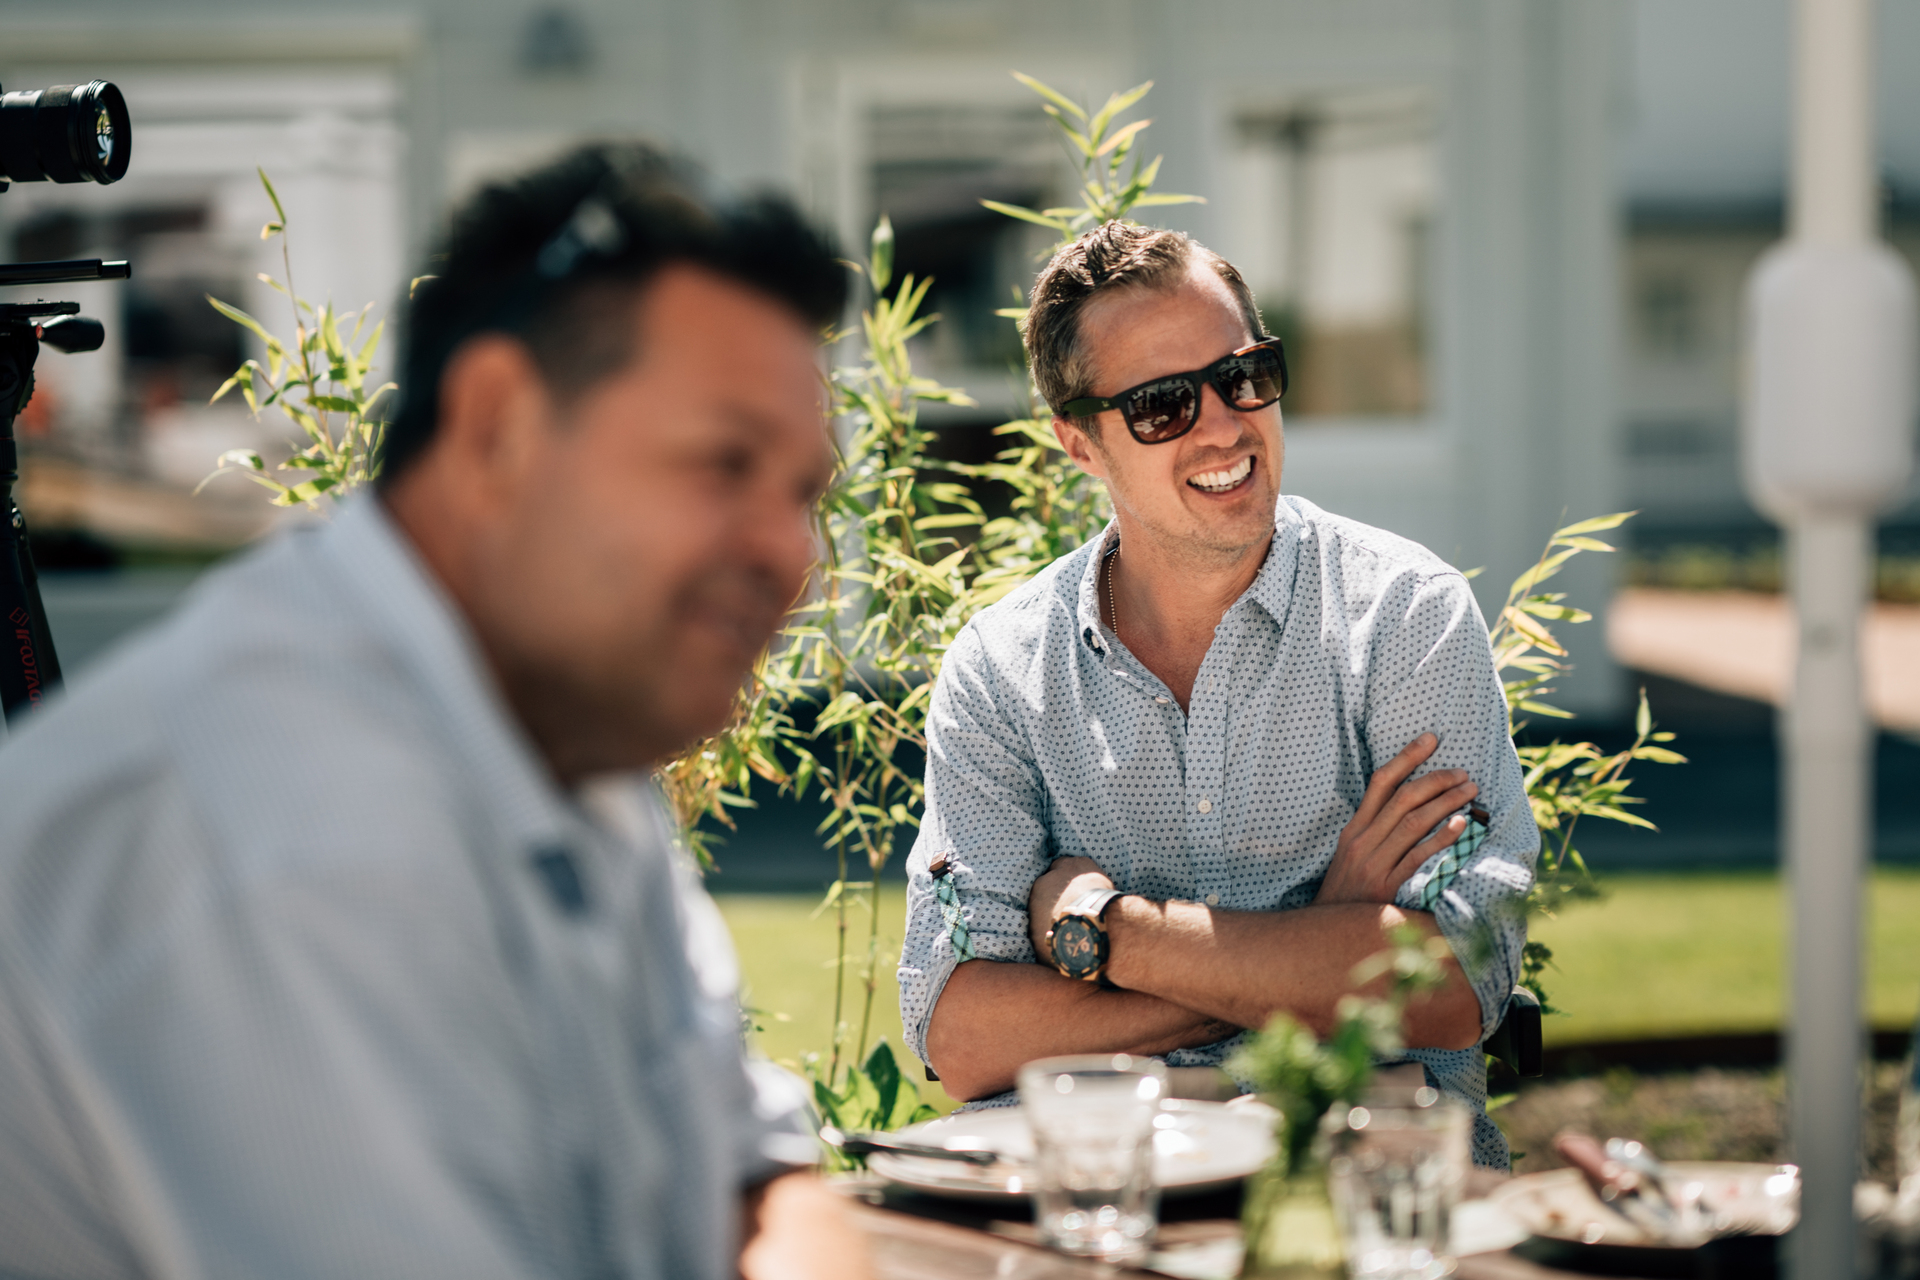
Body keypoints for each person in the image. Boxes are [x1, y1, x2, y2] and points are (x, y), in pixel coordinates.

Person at [0, 144, 872, 1279]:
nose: (790, 552)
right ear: (499, 422)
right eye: (722, 463)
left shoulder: (557, 721)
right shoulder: (278, 826)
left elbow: (757, 1170)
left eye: (804, 491)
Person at [897, 221, 1538, 1168]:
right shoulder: (1001, 669)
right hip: (1092, 1191)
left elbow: (1449, 980)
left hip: (1353, 1176)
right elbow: (963, 1038)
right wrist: (1312, 938)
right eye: (1161, 404)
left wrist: (1101, 931)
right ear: (1079, 443)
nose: (1225, 423)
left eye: (1243, 375)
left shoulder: (1403, 617)